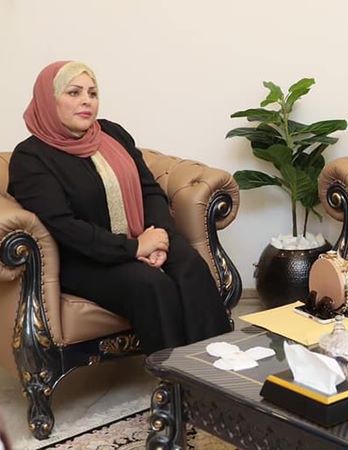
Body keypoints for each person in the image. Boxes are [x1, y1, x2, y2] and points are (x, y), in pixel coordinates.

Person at [9, 61, 231, 354]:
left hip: (141, 235)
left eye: (92, 93)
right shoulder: (30, 158)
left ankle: (218, 363)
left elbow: (149, 189)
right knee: (151, 285)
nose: (87, 101)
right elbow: (64, 226)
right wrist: (134, 248)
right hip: (83, 258)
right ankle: (175, 375)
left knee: (189, 264)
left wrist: (159, 238)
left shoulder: (112, 134)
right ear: (48, 100)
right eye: (74, 92)